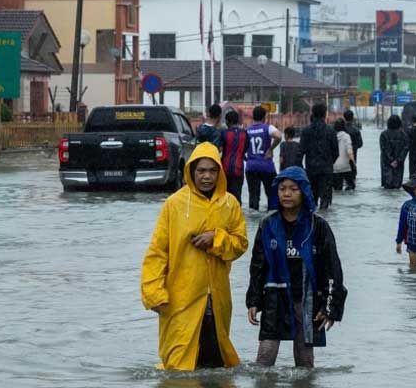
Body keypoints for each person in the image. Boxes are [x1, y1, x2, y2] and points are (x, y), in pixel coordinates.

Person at [140, 143, 249, 370]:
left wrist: (216, 239)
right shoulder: (175, 204)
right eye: (201, 171)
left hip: (217, 298)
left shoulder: (230, 204)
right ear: (191, 171)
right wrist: (154, 293)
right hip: (180, 297)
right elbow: (157, 252)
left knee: (215, 361)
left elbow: (240, 244)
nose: (207, 176)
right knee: (179, 364)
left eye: (212, 171)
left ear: (219, 172)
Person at [246, 166, 347, 368]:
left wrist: (331, 307)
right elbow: (258, 266)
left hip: (308, 301)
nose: (287, 194)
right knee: (264, 358)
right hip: (275, 298)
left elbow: (332, 269)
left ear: (304, 192)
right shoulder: (268, 225)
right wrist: (254, 300)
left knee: (305, 363)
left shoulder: (318, 226)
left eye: (294, 189)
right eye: (282, 188)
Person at [299, 103, 339, 210]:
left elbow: (300, 152)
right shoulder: (330, 131)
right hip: (326, 170)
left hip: (311, 169)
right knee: (325, 200)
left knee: (311, 199)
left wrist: (301, 169)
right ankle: (324, 221)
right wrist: (329, 163)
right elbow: (336, 152)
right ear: (325, 114)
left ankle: (313, 222)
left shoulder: (305, 131)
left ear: (313, 113)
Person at [245, 106, 282, 211]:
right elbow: (279, 136)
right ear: (264, 117)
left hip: (251, 167)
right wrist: (271, 148)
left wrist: (245, 157)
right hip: (267, 166)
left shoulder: (246, 130)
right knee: (272, 194)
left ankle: (253, 220)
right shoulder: (268, 128)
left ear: (253, 117)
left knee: (253, 196)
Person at [221, 110, 247, 203]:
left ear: (228, 121)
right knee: (237, 197)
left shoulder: (224, 133)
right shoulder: (244, 133)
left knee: (225, 197)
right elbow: (245, 149)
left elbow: (220, 149)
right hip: (238, 169)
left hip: (225, 169)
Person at [379, 114, 410, 189]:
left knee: (387, 186)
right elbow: (406, 149)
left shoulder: (383, 134)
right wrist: (398, 160)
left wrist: (391, 160)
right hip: (399, 164)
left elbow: (384, 149)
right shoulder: (404, 135)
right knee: (397, 186)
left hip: (386, 163)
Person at [331, 119, 355, 191]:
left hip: (334, 167)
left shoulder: (332, 136)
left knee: (337, 189)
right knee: (351, 187)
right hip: (346, 167)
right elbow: (349, 151)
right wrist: (353, 162)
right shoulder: (346, 136)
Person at [343, 110, 363, 187]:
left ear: (344, 117)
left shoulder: (340, 130)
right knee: (352, 179)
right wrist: (354, 147)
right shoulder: (356, 130)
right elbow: (360, 144)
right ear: (352, 118)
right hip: (353, 157)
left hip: (341, 158)